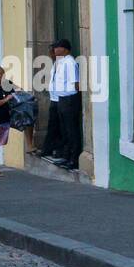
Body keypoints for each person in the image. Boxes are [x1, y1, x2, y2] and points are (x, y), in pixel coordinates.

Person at [51, 39, 81, 171]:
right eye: (55, 47)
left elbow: (75, 82)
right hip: (61, 99)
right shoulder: (60, 63)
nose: (56, 50)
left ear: (66, 49)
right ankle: (66, 155)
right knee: (65, 129)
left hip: (69, 99)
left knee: (71, 129)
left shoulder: (70, 62)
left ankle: (74, 159)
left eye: (59, 47)